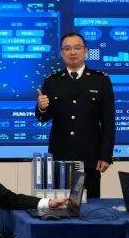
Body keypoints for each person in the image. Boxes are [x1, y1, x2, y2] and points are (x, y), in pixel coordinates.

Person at [35, 32, 115, 200]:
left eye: (77, 48)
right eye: (67, 48)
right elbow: (43, 117)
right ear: (61, 53)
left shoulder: (100, 80)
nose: (72, 52)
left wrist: (106, 155)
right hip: (60, 156)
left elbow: (108, 122)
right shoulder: (52, 80)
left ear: (86, 51)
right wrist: (41, 108)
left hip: (90, 157)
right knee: (59, 206)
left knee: (90, 208)